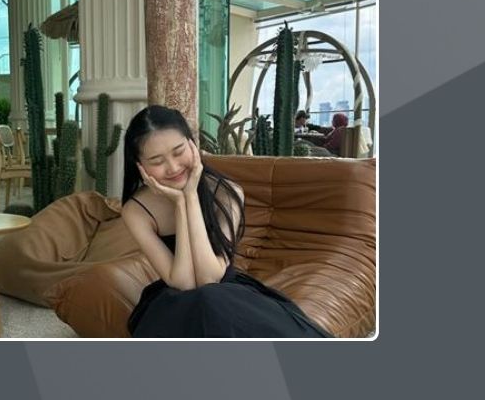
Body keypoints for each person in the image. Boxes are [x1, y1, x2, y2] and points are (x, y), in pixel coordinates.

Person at [118, 105, 331, 338]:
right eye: (157, 161)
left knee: (212, 300)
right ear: (140, 166)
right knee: (203, 303)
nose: (173, 167)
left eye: (179, 152)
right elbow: (184, 284)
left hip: (225, 293)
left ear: (192, 144)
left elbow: (210, 279)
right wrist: (181, 203)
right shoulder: (136, 211)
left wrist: (190, 196)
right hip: (172, 301)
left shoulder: (227, 193)